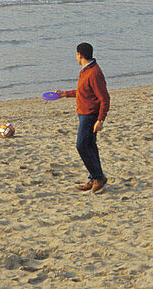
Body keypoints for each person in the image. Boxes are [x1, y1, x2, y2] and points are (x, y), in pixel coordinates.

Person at [56, 42, 110, 194]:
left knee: (81, 145)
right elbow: (83, 92)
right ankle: (94, 177)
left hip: (90, 116)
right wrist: (65, 94)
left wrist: (100, 119)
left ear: (80, 54)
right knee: (91, 146)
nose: (76, 57)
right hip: (83, 114)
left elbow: (104, 98)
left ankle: (99, 177)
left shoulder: (94, 73)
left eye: (76, 54)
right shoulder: (86, 70)